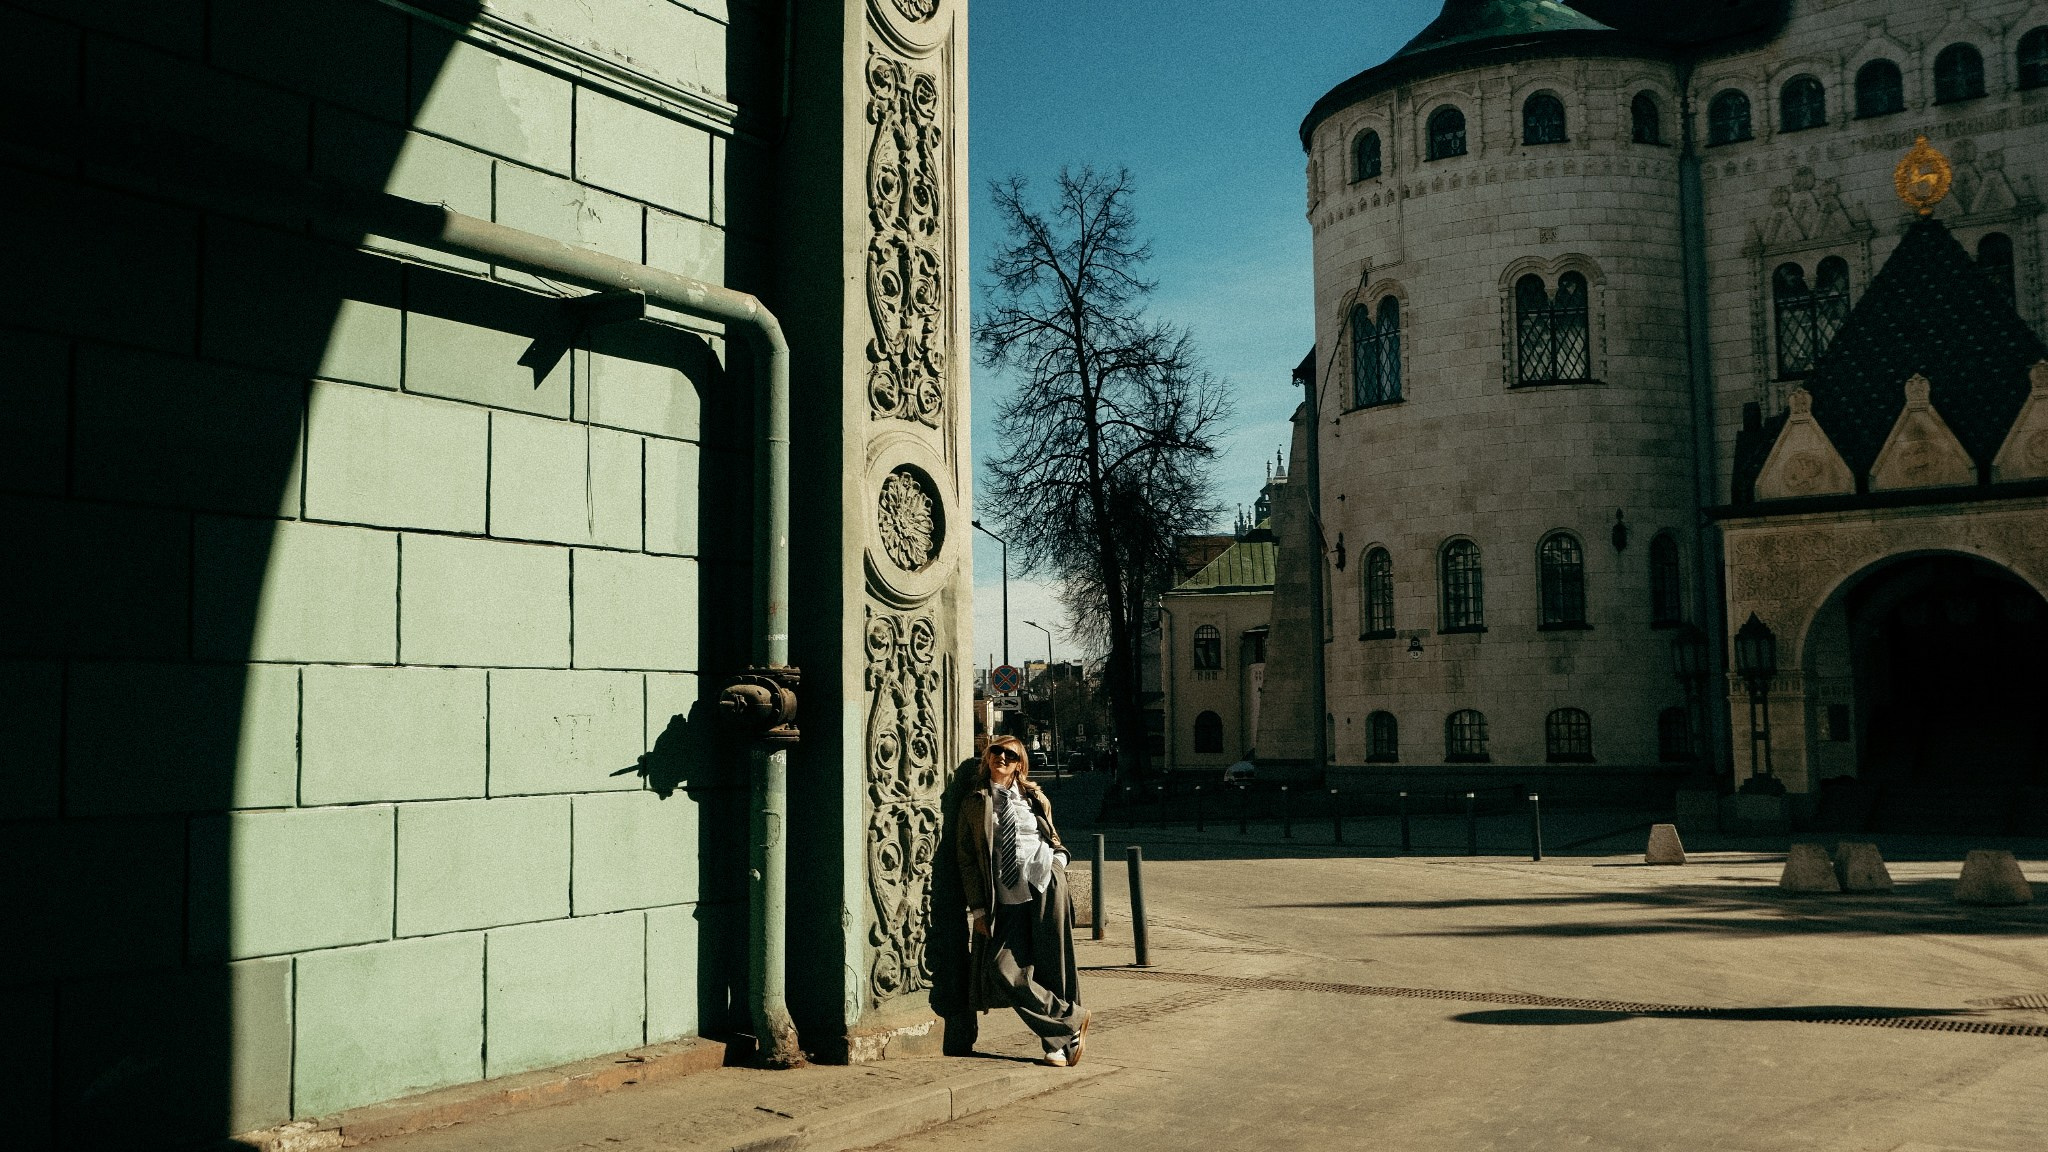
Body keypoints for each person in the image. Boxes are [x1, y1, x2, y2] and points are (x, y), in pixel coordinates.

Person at [956, 734, 1090, 1066]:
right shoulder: (974, 802)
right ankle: (1070, 1018)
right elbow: (967, 859)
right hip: (1005, 897)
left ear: (1020, 765)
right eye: (997, 751)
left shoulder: (1035, 798)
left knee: (1052, 962)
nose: (1002, 757)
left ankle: (1058, 1045)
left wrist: (1059, 863)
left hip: (1045, 883)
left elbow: (1054, 839)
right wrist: (978, 909)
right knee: (1001, 968)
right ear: (987, 757)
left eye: (1011, 755)